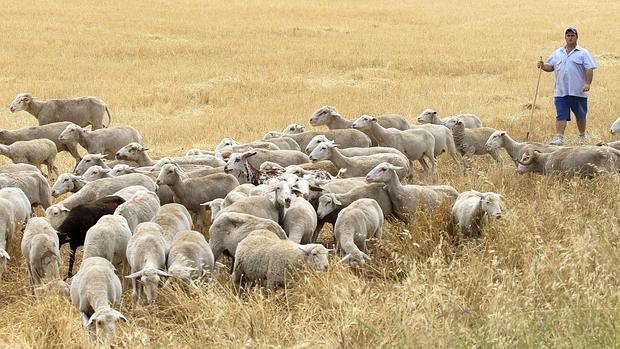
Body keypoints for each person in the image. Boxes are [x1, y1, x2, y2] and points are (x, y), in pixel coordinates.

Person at [537, 27, 597, 145]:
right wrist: (543, 66)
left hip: (578, 91)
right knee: (561, 114)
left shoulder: (583, 53)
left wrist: (587, 83)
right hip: (561, 91)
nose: (570, 37)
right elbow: (551, 67)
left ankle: (582, 136)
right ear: (565, 37)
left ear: (576, 37)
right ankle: (559, 138)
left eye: (572, 35)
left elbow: (589, 69)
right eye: (568, 35)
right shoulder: (557, 53)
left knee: (580, 115)